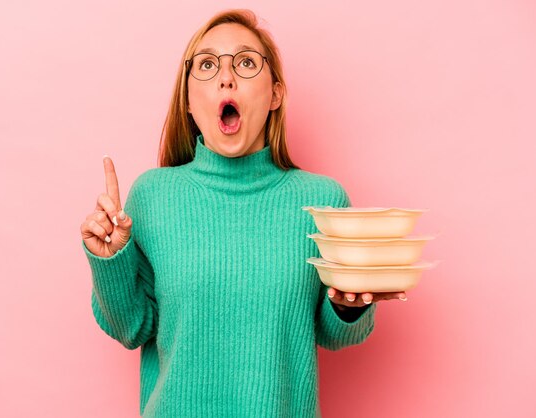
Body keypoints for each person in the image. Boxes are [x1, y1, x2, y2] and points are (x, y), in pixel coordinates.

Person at [80, 9, 408, 418]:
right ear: (187, 100)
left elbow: (336, 333)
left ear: (274, 94)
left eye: (247, 62)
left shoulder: (323, 201)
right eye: (206, 64)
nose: (226, 76)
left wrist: (349, 305)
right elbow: (132, 328)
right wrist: (111, 259)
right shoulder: (152, 195)